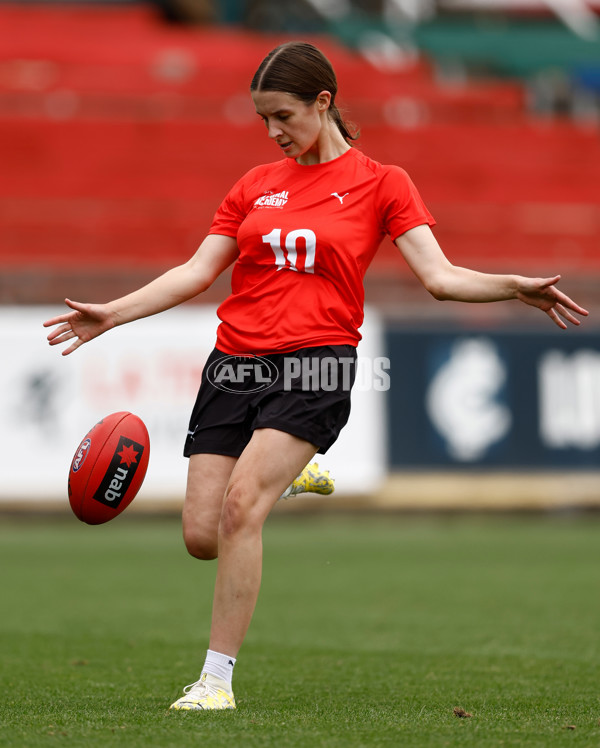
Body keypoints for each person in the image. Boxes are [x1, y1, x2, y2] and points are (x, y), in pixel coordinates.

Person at [43, 41, 589, 711]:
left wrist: (511, 286)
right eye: (263, 121)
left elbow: (441, 279)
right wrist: (114, 314)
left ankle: (215, 681)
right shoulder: (253, 185)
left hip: (317, 363)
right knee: (201, 536)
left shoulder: (383, 182)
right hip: (233, 363)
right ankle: (292, 476)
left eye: (283, 116)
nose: (274, 133)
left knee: (244, 508)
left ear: (323, 102)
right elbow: (195, 271)